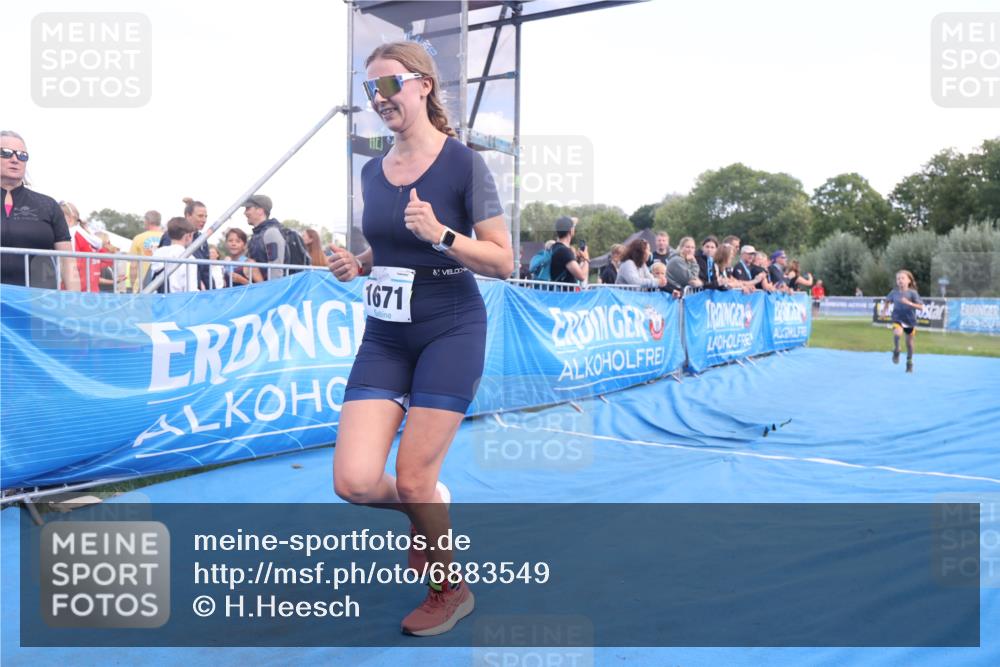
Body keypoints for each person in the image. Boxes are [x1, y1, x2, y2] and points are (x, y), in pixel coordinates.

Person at [326, 41, 512, 636]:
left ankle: (448, 588)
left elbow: (503, 262)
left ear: (423, 86)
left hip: (450, 328)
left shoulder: (463, 164)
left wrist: (442, 235)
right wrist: (359, 262)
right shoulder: (369, 170)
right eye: (369, 89)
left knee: (411, 476)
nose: (378, 99)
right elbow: (389, 243)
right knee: (354, 482)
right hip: (385, 336)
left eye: (389, 86)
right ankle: (430, 506)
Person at [0, 131, 79, 290]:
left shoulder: (48, 205)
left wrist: (74, 303)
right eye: (6, 153)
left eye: (22, 155)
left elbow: (68, 262)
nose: (15, 159)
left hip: (36, 302)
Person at [160, 198, 211, 289]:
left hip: (197, 294)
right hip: (176, 293)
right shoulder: (171, 235)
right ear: (188, 215)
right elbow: (165, 267)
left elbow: (206, 270)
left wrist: (212, 292)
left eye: (206, 216)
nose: (204, 220)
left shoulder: (202, 238)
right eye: (200, 216)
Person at [883, 270, 923, 373]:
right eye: (898, 278)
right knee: (897, 333)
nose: (900, 280)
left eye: (902, 278)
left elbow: (920, 307)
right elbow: (887, 301)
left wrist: (909, 303)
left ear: (909, 280)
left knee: (909, 343)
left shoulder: (912, 293)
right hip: (897, 319)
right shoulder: (894, 292)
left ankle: (909, 362)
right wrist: (884, 311)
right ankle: (897, 349)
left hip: (910, 321)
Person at [243, 194, 286, 281]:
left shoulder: (271, 233)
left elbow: (275, 271)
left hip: (271, 291)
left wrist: (271, 292)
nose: (245, 213)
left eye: (248, 208)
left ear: (260, 210)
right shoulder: (258, 235)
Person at [150, 217, 198, 293]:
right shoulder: (189, 259)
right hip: (178, 301)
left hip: (157, 300)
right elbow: (191, 289)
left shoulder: (158, 253)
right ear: (188, 236)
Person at [63, 201, 102, 292]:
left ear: (69, 218)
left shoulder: (71, 233)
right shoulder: (87, 233)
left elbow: (68, 258)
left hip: (76, 285)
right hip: (91, 286)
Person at [549, 216, 589, 285]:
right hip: (565, 294)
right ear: (571, 230)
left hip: (556, 293)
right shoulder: (564, 251)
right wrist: (586, 259)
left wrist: (579, 260)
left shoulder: (554, 247)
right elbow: (582, 276)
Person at [129, 210, 163, 292]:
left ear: (148, 221)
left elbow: (133, 266)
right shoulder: (166, 238)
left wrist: (133, 286)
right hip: (161, 284)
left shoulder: (138, 238)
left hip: (142, 285)